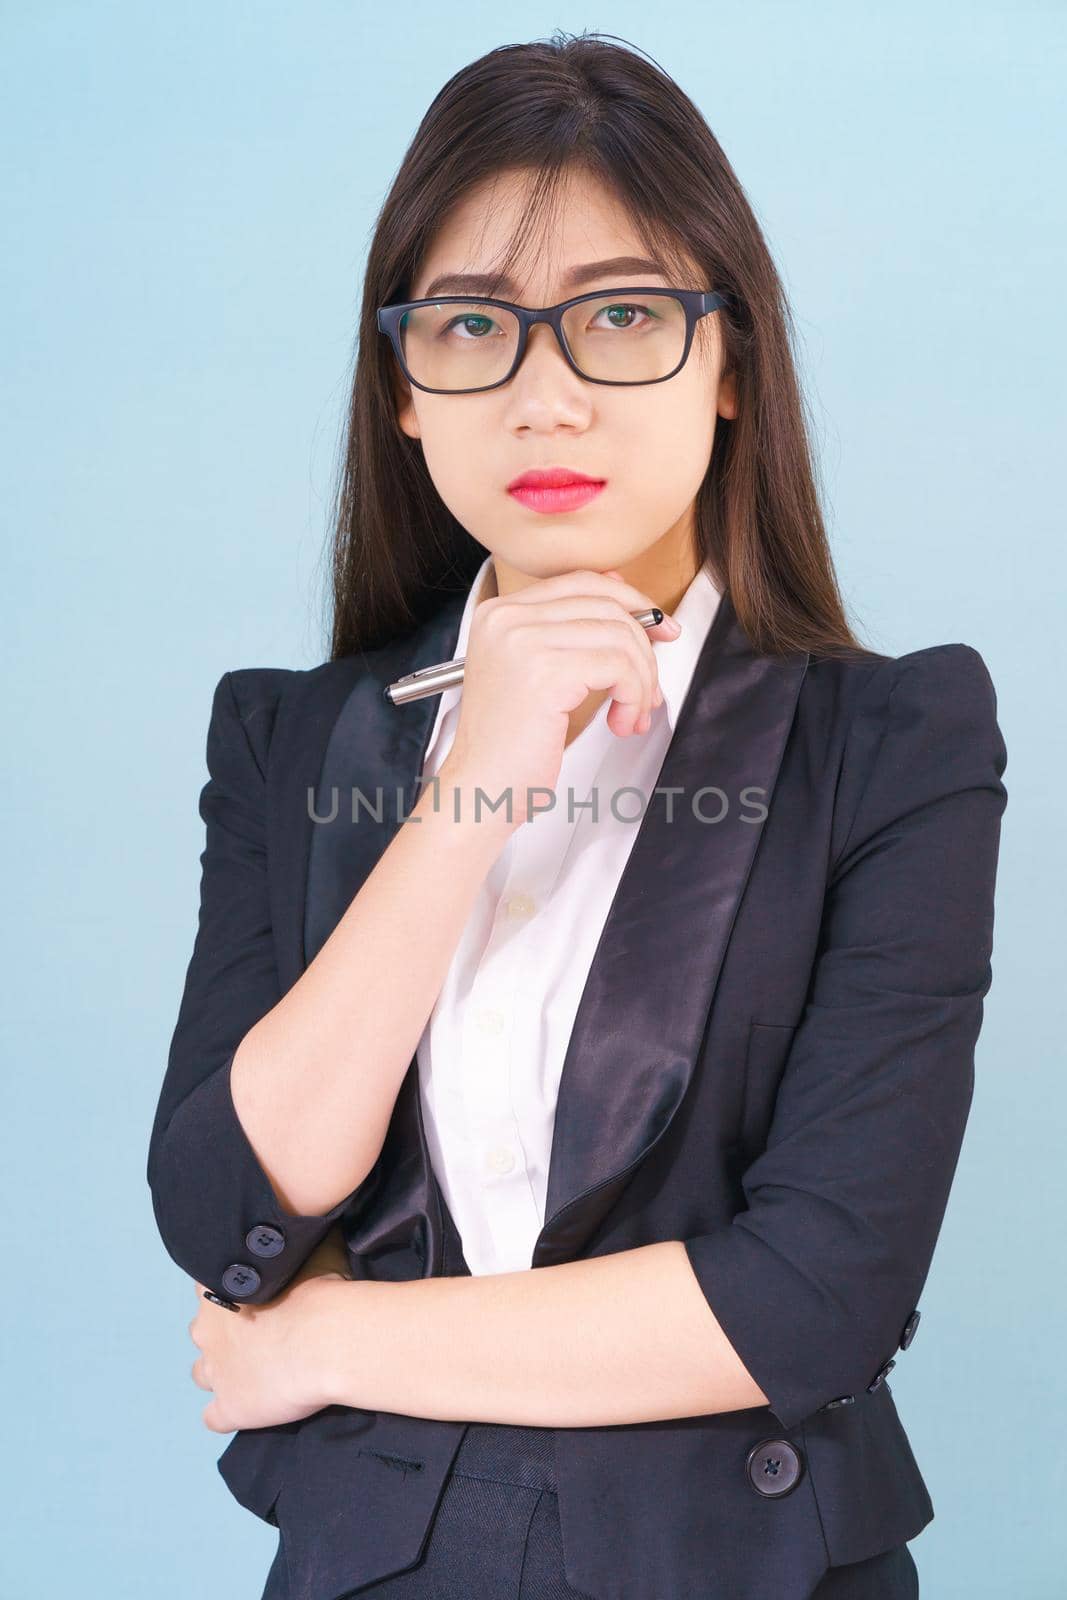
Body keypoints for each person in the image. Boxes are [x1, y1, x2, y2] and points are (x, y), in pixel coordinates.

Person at [146, 30, 1008, 1600]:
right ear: (404, 390)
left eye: (620, 317)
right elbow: (226, 1212)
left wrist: (335, 1337)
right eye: (473, 325)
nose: (545, 399)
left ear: (732, 360)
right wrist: (470, 792)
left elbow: (814, 1297)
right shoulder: (289, 737)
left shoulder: (893, 739)